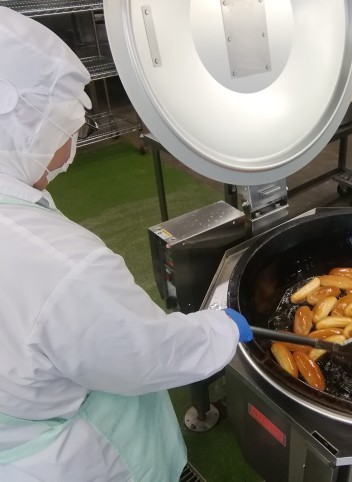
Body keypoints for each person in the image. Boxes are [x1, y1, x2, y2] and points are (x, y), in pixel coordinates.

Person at [0, 7, 253, 481]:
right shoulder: (58, 264)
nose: (73, 142)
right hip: (76, 462)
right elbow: (143, 355)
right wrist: (219, 330)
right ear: (27, 131)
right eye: (69, 127)